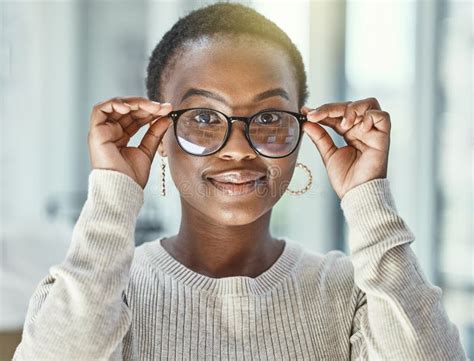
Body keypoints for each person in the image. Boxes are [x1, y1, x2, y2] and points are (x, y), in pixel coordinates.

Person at [13, 2, 467, 360]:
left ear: (303, 128)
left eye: (268, 116)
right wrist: (113, 191)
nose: (238, 147)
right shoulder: (101, 291)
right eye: (205, 117)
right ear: (158, 132)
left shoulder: (350, 292)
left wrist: (369, 199)